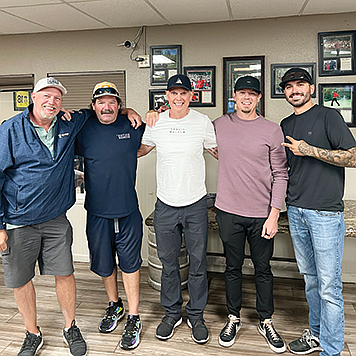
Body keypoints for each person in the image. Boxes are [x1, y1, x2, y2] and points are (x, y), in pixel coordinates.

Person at [0, 77, 89, 356]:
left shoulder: (68, 123)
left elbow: (98, 110)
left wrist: (127, 111)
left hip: (55, 218)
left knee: (65, 272)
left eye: (58, 98)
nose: (52, 102)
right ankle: (32, 332)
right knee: (21, 279)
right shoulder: (11, 129)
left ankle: (70, 326)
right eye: (46, 96)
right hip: (18, 219)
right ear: (33, 98)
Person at [279, 68, 356, 356]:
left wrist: (309, 149)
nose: (294, 90)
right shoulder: (285, 123)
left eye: (300, 85)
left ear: (311, 88)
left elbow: (353, 156)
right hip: (297, 210)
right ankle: (316, 333)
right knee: (310, 280)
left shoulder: (328, 116)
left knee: (329, 287)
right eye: (289, 86)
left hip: (324, 213)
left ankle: (332, 349)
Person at [138, 74, 217, 344]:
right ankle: (171, 313)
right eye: (174, 93)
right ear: (167, 96)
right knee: (168, 265)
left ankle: (196, 315)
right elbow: (140, 149)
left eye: (184, 93)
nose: (179, 97)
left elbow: (220, 151)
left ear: (191, 96)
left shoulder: (202, 122)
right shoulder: (156, 121)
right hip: (165, 206)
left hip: (195, 204)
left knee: (197, 264)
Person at [213, 76, 288, 353]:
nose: (246, 98)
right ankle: (233, 318)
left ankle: (265, 320)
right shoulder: (219, 125)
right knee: (232, 268)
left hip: (261, 215)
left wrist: (274, 214)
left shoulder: (272, 130)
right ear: (233, 96)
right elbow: (191, 134)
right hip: (228, 211)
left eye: (252, 94)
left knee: (263, 269)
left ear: (259, 98)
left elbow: (281, 174)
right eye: (241, 93)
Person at [74, 81, 145, 350]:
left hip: (127, 210)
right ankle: (115, 306)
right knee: (104, 264)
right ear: (93, 106)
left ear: (119, 105)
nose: (107, 106)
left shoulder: (132, 125)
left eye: (112, 101)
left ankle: (134, 316)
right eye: (101, 101)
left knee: (130, 263)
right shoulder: (84, 128)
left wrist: (132, 110)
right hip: (97, 212)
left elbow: (150, 140)